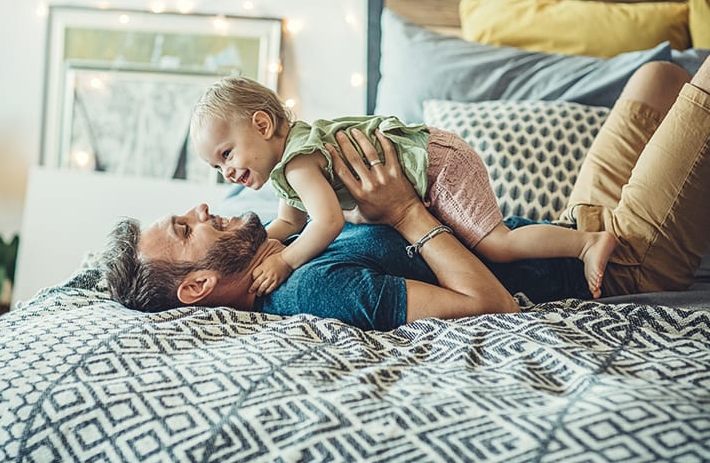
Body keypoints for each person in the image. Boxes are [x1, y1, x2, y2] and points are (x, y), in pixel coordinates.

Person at [103, 57, 710, 331]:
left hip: (569, 224)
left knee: (657, 76)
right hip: (625, 268)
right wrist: (405, 212)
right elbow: (494, 308)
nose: (203, 205)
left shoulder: (281, 237)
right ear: (197, 287)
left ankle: (586, 234)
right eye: (186, 229)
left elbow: (296, 219)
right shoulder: (312, 287)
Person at [189, 77, 617, 299]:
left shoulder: (299, 162)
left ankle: (585, 242)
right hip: (431, 161)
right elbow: (289, 220)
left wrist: (287, 262)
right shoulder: (288, 169)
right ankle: (577, 238)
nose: (224, 172)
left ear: (262, 126)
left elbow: (328, 221)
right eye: (215, 166)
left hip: (437, 163)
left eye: (226, 154)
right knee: (477, 243)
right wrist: (259, 242)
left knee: (496, 245)